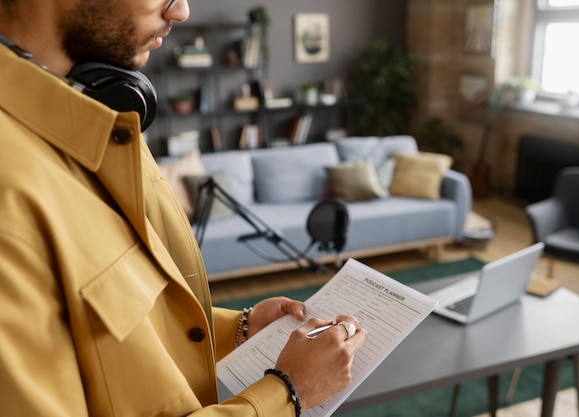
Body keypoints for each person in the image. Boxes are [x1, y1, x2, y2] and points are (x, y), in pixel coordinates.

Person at [0, 0, 368, 416]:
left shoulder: (103, 116)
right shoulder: (10, 198)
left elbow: (111, 316)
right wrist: (288, 392)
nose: (181, 11)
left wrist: (237, 330)